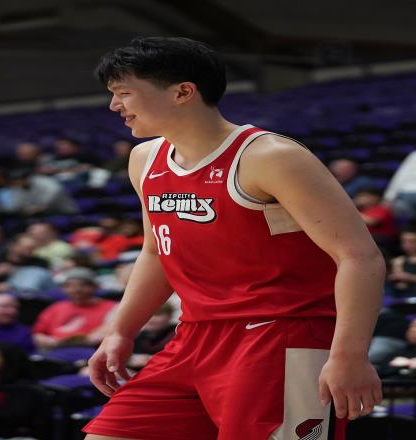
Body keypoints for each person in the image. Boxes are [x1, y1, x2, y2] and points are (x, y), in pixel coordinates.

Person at [84, 37, 385, 440]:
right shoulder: (145, 159)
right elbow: (157, 253)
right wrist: (121, 331)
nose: (114, 105)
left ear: (183, 92)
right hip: (194, 335)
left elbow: (360, 257)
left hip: (282, 335)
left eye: (124, 93)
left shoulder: (270, 157)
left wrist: (350, 355)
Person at [32, 267, 117, 350]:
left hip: (90, 351)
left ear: (95, 287)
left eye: (83, 285)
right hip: (55, 351)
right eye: (70, 286)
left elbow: (102, 336)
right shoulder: (55, 308)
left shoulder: (112, 307)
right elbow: (38, 333)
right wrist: (46, 341)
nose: (76, 290)